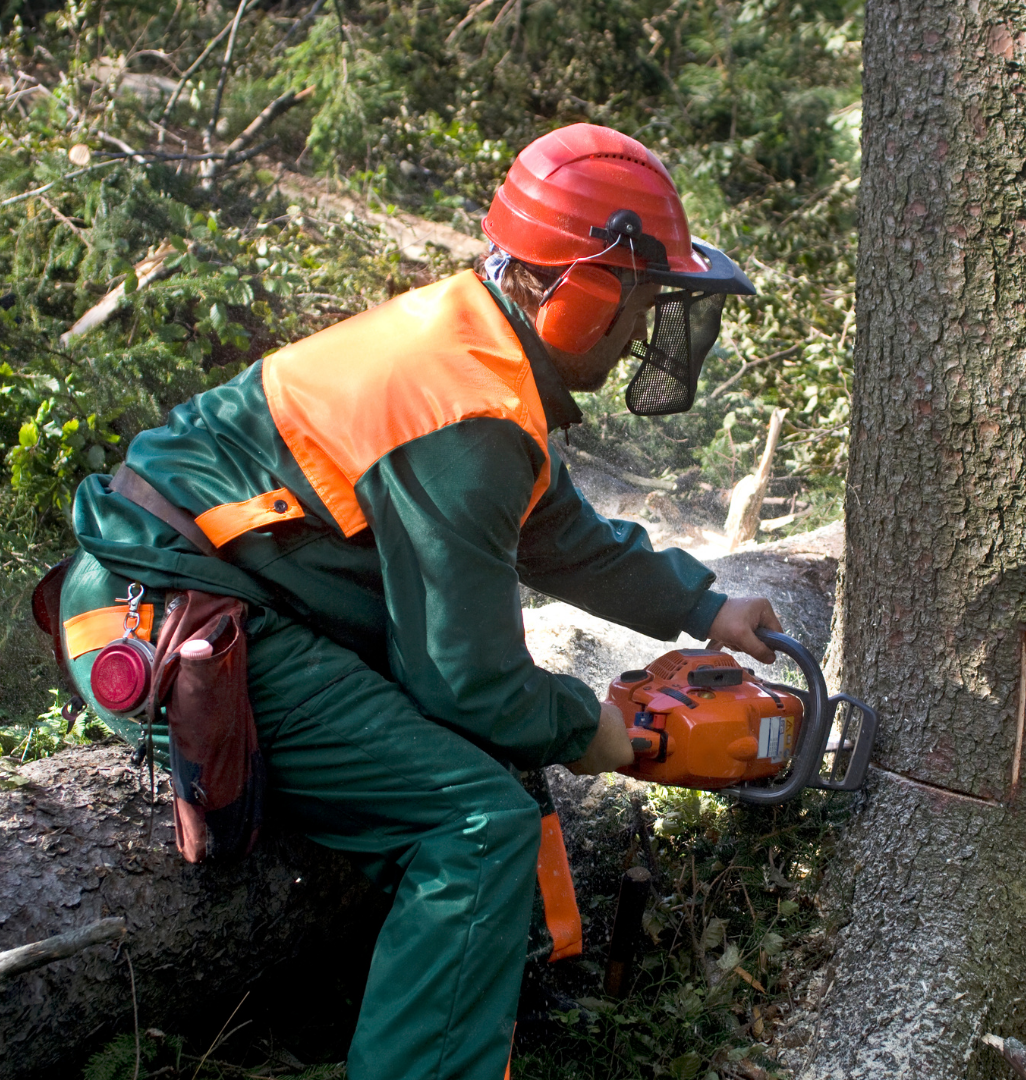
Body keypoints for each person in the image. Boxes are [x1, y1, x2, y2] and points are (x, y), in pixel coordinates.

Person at [55, 123, 783, 1080]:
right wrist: (593, 729)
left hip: (209, 595)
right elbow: (468, 682)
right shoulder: (468, 415)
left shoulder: (474, 353)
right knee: (476, 826)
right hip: (179, 622)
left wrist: (706, 607)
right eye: (643, 300)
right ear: (586, 288)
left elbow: (559, 536)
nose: (646, 329)